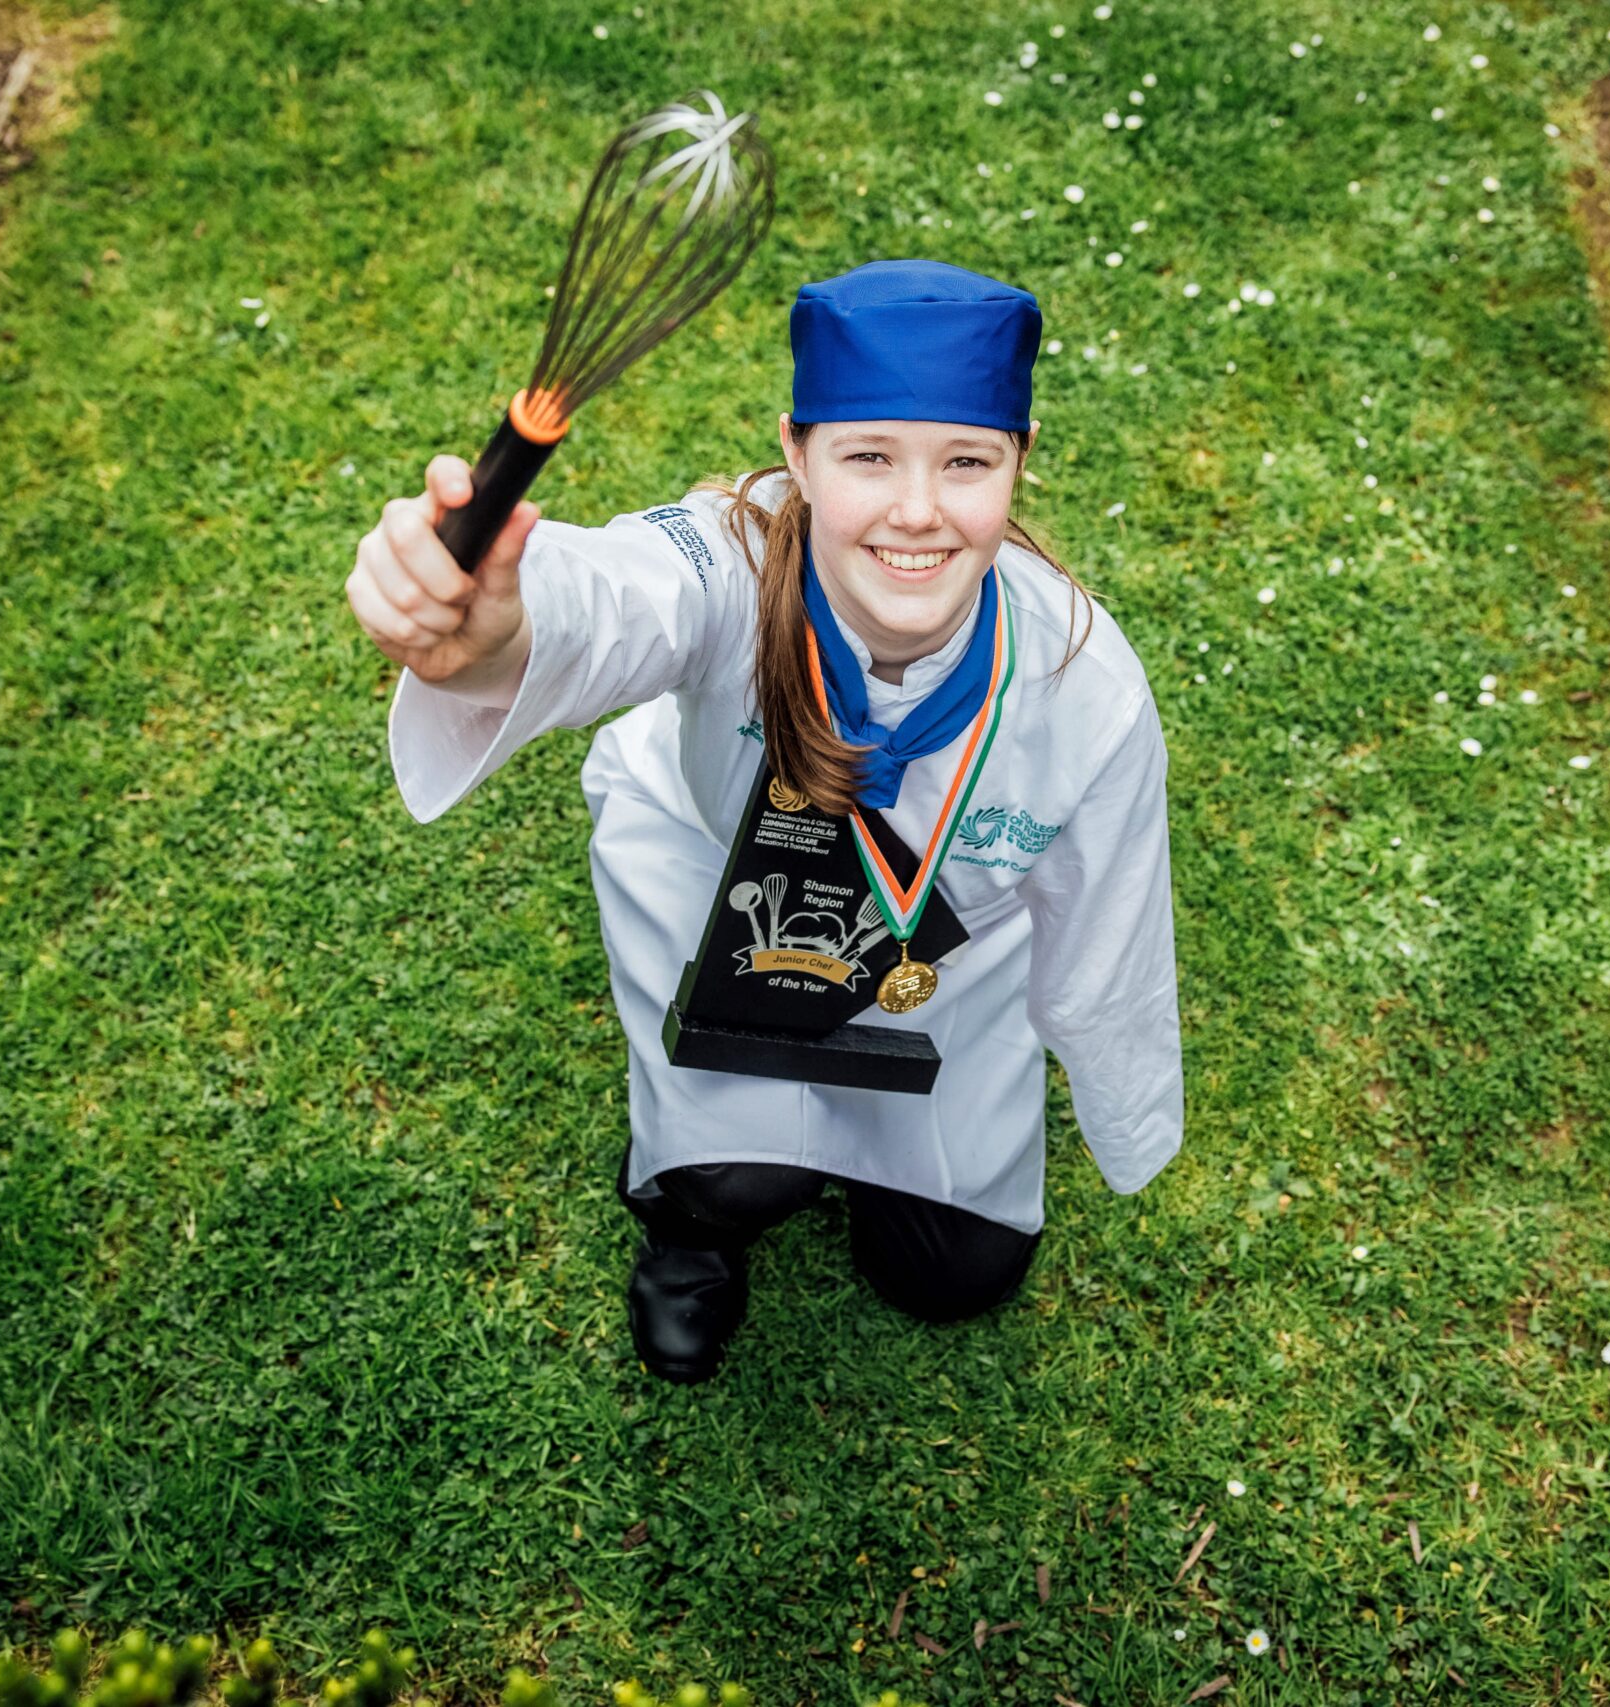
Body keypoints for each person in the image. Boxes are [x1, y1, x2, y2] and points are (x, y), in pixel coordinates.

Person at [346, 259, 1182, 1384]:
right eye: (868, 457)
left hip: (936, 959)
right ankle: (689, 1232)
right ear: (795, 451)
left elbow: (1108, 929)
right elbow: (611, 590)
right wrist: (494, 628)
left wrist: (1124, 1112)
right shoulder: (727, 561)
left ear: (1019, 458)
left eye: (967, 462)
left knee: (955, 1271)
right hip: (709, 886)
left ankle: (862, 1159)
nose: (919, 511)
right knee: (733, 1178)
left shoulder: (1088, 686)